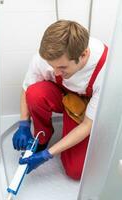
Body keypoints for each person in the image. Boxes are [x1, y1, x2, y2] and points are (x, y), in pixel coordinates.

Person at [12, 20, 108, 180]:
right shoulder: (49, 56)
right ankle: (42, 137)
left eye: (62, 68)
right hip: (62, 94)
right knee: (35, 93)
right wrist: (23, 124)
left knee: (75, 171)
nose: (55, 72)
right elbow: (27, 87)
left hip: (83, 108)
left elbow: (87, 125)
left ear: (83, 55)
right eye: (52, 66)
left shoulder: (106, 70)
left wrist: (46, 155)